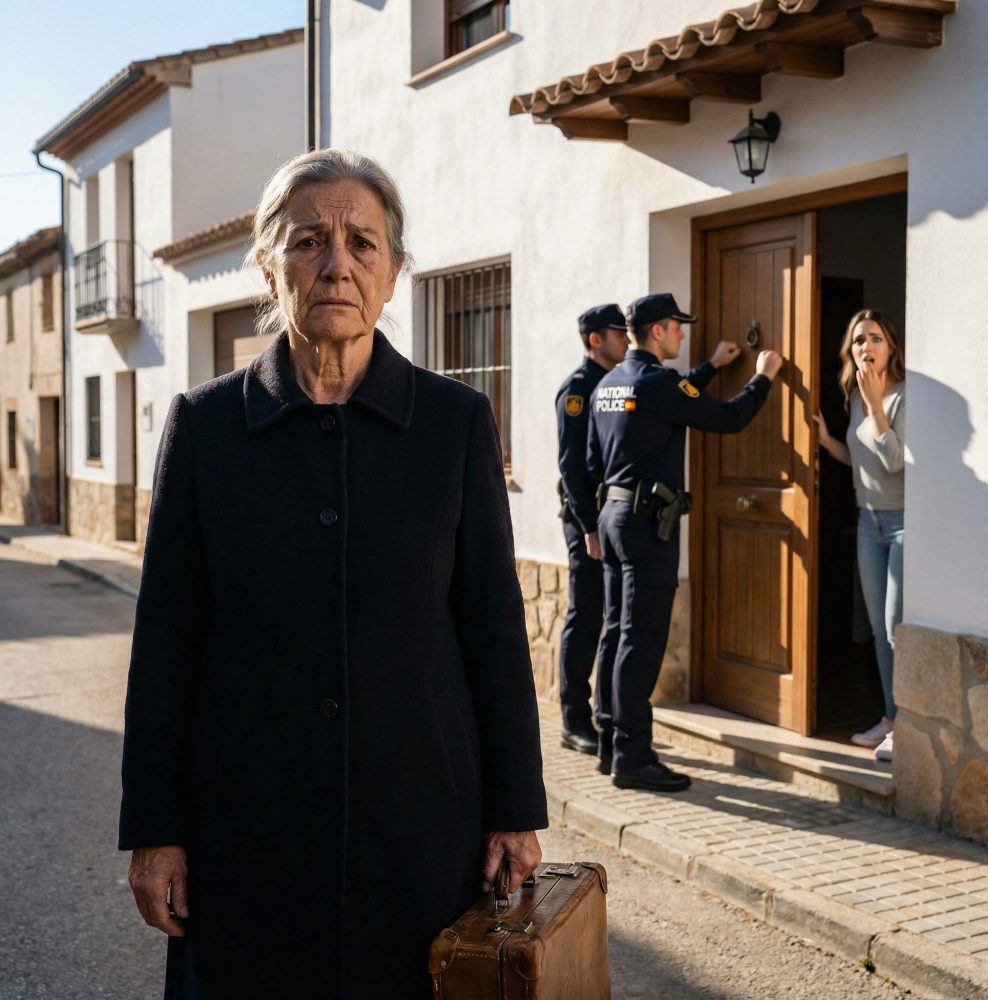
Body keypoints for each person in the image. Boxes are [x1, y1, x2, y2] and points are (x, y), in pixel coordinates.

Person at [119, 149, 547, 999]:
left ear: (392, 272)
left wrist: (515, 807)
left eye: (362, 242)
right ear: (268, 266)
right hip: (244, 825)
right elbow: (166, 640)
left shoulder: (454, 423)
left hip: (421, 823)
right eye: (309, 240)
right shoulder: (206, 427)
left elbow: (494, 630)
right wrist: (155, 829)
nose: (337, 264)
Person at [587, 293, 783, 792]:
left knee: (617, 632)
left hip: (612, 515)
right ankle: (633, 757)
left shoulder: (608, 383)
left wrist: (711, 366)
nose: (682, 334)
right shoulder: (657, 383)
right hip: (646, 524)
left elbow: (594, 459)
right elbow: (728, 418)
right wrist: (763, 377)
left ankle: (610, 743)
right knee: (640, 639)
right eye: (677, 327)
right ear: (658, 331)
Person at [813, 308, 905, 762]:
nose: (865, 347)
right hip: (868, 521)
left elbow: (896, 462)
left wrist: (876, 409)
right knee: (876, 630)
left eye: (874, 338)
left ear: (891, 347)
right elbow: (862, 459)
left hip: (905, 522)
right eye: (858, 340)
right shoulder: (853, 398)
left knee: (894, 627)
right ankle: (890, 719)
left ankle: (907, 725)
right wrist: (828, 442)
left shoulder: (905, 396)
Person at [555, 304, 630, 755]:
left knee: (605, 619)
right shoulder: (578, 390)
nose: (627, 340)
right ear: (595, 340)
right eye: (619, 334)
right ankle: (573, 721)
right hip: (586, 522)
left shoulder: (613, 385)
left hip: (605, 520)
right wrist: (588, 527)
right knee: (585, 617)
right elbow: (571, 466)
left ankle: (605, 716)